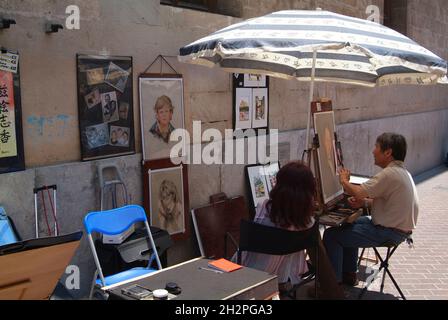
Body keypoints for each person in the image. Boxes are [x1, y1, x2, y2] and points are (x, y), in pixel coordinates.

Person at [323, 132, 419, 286]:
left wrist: (344, 181)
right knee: (348, 224)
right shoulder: (402, 172)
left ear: (388, 152)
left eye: (376, 147)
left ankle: (333, 287)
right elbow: (388, 203)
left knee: (331, 235)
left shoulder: (390, 174)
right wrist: (364, 204)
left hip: (390, 232)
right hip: (397, 229)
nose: (373, 151)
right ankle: (349, 274)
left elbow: (359, 192)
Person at [235, 161, 316, 289]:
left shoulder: (264, 207)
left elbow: (254, 244)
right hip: (285, 274)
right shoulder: (308, 222)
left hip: (250, 270)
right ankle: (280, 287)